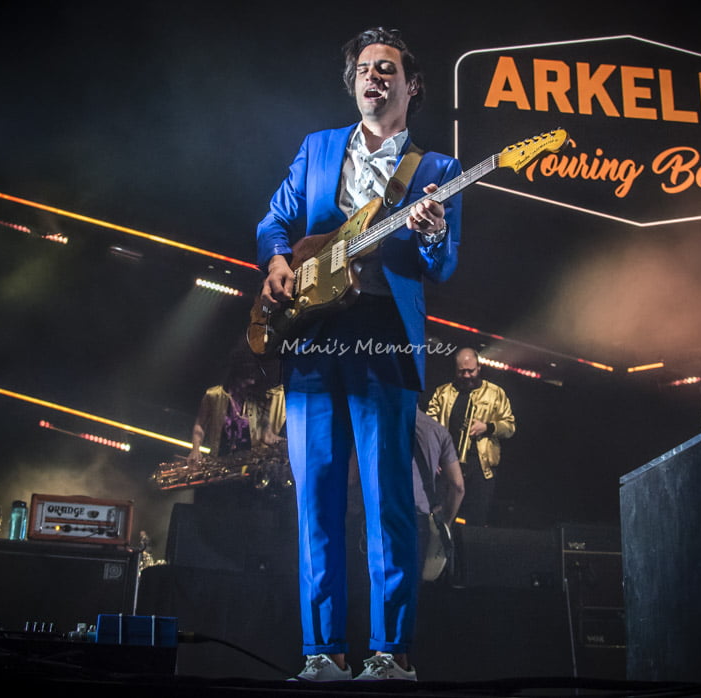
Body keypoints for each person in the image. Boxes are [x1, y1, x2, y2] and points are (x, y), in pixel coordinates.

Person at [255, 27, 462, 681]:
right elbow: (274, 220)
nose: (374, 77)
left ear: (412, 85)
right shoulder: (317, 148)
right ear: (353, 83)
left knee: (389, 503)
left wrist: (432, 234)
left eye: (387, 68)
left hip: (385, 338)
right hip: (313, 337)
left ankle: (390, 653)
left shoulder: (436, 170)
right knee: (316, 499)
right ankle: (322, 652)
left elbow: (443, 266)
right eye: (365, 69)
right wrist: (278, 261)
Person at [426, 347, 515, 525]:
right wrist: (434, 455)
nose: (466, 375)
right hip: (448, 465)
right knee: (441, 517)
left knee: (476, 521)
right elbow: (429, 427)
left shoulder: (495, 393)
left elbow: (510, 427)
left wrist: (488, 427)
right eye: (462, 371)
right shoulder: (443, 393)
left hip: (481, 468)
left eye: (471, 371)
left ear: (479, 368)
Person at [411, 411, 463, 581]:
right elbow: (458, 486)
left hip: (380, 519)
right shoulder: (437, 430)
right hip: (419, 522)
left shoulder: (372, 423)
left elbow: (352, 476)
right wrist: (445, 524)